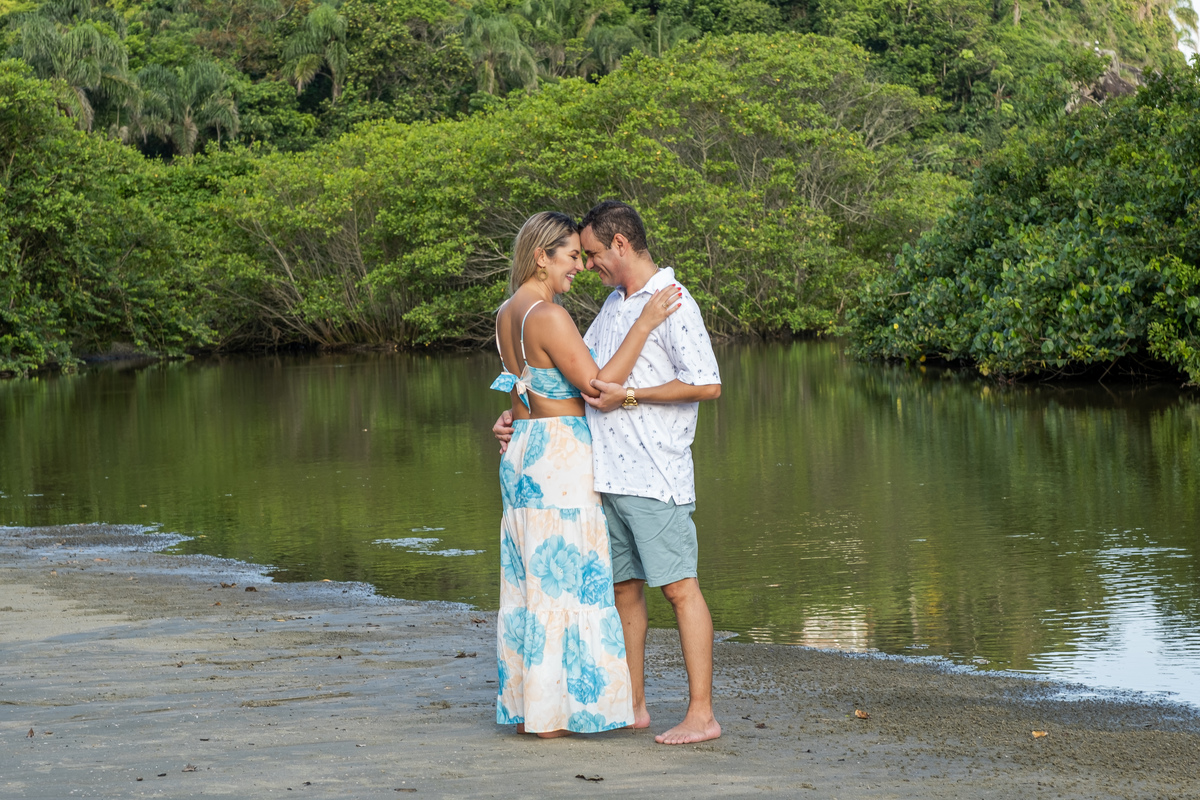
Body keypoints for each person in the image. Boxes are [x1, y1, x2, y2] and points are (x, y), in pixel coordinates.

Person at [494, 201, 723, 745]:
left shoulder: (671, 301)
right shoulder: (612, 307)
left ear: (619, 245)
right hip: (599, 475)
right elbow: (572, 377)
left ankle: (701, 714)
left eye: (590, 253)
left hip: (651, 473)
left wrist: (632, 392)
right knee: (619, 592)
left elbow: (708, 383)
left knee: (679, 588)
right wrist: (519, 410)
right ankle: (631, 705)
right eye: (576, 256)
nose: (585, 265)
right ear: (542, 258)